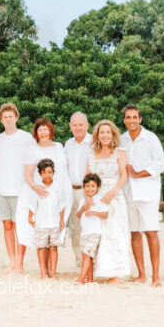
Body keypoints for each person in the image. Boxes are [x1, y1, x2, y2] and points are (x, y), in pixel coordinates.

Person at [15, 118, 71, 273]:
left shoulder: (59, 146)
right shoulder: (33, 149)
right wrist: (36, 187)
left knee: (56, 228)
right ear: (36, 133)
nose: (43, 132)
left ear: (50, 130)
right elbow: (28, 174)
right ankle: (43, 269)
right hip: (42, 193)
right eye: (40, 130)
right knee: (43, 227)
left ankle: (52, 270)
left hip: (60, 192)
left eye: (46, 129)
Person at [120, 105, 164, 287]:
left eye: (134, 117)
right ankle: (141, 274)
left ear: (140, 119)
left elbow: (161, 164)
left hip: (148, 192)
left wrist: (139, 174)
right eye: (128, 117)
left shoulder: (151, 138)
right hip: (128, 192)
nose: (131, 120)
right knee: (134, 232)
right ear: (124, 120)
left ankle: (156, 276)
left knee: (151, 231)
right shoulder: (121, 140)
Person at [86, 118, 131, 282]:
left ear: (113, 134)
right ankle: (102, 270)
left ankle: (117, 272)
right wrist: (88, 197)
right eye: (102, 133)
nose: (105, 135)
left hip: (115, 196)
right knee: (100, 233)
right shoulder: (92, 155)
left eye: (108, 132)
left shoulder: (120, 152)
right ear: (97, 136)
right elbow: (87, 177)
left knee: (115, 232)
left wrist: (113, 192)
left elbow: (124, 175)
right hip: (97, 196)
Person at [0, 102, 35, 272]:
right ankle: (11, 261)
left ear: (16, 117)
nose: (8, 119)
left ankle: (19, 263)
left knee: (20, 227)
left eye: (11, 116)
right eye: (5, 117)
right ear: (1, 120)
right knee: (7, 225)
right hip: (1, 188)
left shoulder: (27, 137)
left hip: (20, 189)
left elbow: (33, 161)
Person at [63, 111, 93, 267]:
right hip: (71, 191)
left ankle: (94, 262)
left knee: (91, 226)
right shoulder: (68, 144)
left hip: (89, 190)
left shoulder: (94, 142)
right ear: (70, 126)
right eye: (74, 125)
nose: (78, 128)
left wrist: (90, 192)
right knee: (75, 227)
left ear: (87, 125)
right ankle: (80, 262)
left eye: (81, 124)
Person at [27, 159, 65, 279]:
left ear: (53, 172)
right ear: (40, 174)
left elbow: (61, 205)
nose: (47, 175)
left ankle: (53, 272)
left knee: (53, 248)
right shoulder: (38, 189)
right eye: (44, 172)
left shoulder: (58, 188)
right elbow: (32, 205)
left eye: (49, 172)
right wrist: (30, 217)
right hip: (41, 223)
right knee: (42, 248)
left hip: (54, 223)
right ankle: (43, 272)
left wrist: (61, 219)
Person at [75, 173, 108, 285]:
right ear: (84, 187)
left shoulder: (99, 200)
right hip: (85, 232)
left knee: (86, 255)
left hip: (94, 232)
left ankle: (81, 279)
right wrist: (83, 208)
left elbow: (105, 214)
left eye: (93, 186)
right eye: (87, 186)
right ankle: (90, 279)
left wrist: (94, 212)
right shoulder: (82, 200)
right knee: (88, 256)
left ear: (98, 188)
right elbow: (78, 214)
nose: (90, 188)